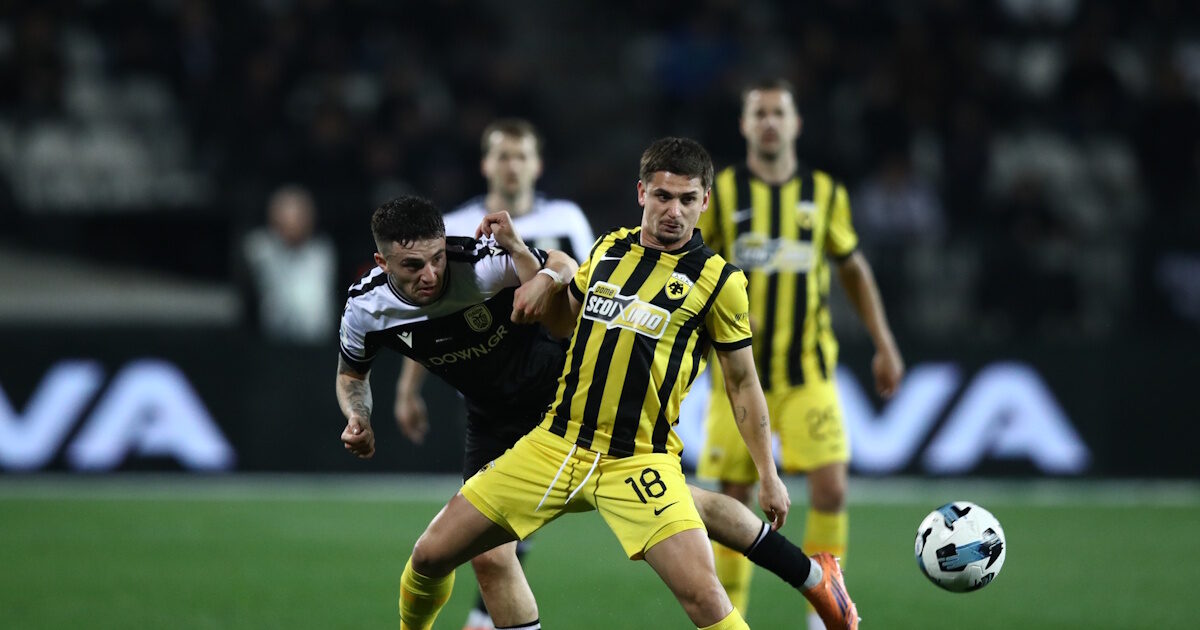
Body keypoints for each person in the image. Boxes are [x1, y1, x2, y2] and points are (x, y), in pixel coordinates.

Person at [357, 139, 857, 630]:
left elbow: (743, 382)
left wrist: (768, 473)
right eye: (663, 196)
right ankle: (813, 575)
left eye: (687, 199)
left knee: (704, 598)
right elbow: (561, 324)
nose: (674, 212)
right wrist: (535, 268)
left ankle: (815, 578)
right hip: (556, 442)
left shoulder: (719, 281)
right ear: (642, 193)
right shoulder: (609, 249)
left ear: (705, 202)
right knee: (430, 555)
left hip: (637, 459)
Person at [695, 78, 904, 628]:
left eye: (778, 112)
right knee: (734, 495)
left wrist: (884, 342)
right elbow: (695, 263)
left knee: (831, 487)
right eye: (759, 113)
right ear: (744, 125)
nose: (769, 122)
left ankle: (824, 616)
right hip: (738, 373)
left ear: (796, 124)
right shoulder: (723, 193)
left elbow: (852, 268)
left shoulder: (825, 193)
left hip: (807, 369)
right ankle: (731, 616)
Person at [391, 118, 595, 630]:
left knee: (497, 523)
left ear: (537, 164)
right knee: (492, 529)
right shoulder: (456, 225)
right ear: (486, 164)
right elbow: (431, 315)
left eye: (521, 155)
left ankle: (483, 617)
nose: (512, 166)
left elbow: (593, 294)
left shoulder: (566, 219)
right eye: (502, 155)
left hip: (560, 386)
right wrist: (407, 390)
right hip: (490, 389)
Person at [240, 184, 338, 344]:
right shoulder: (260, 250)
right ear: (273, 220)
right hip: (269, 344)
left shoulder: (322, 252)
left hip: (316, 346)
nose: (293, 224)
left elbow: (319, 314)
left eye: (300, 216)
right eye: (287, 216)